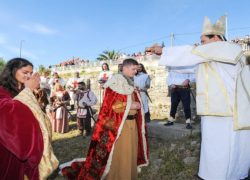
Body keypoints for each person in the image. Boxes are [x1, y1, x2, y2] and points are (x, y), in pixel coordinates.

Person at [159, 15, 250, 180]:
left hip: (222, 111)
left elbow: (190, 53)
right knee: (233, 148)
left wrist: (162, 51)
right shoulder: (220, 55)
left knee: (220, 148)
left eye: (203, 40)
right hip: (230, 110)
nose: (201, 45)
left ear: (216, 37)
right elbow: (191, 68)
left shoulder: (224, 48)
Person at [61, 58, 149, 180]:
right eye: (133, 69)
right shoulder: (115, 83)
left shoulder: (129, 83)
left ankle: (130, 175)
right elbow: (111, 107)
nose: (135, 71)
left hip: (132, 123)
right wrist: (129, 105)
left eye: (136, 69)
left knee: (131, 152)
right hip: (120, 126)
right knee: (122, 153)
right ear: (125, 68)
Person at [0, 58, 58, 180]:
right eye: (25, 72)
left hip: (22, 142)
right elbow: (6, 112)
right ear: (13, 71)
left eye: (31, 73)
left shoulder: (21, 90)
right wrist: (28, 91)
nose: (28, 76)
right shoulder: (2, 90)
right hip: (7, 147)